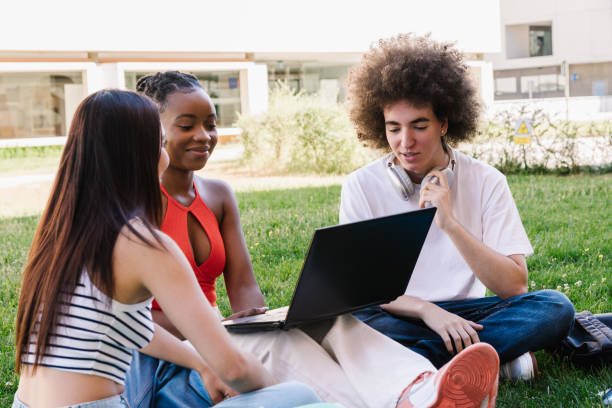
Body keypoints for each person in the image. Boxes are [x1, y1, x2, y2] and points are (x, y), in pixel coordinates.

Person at [123, 70, 502, 408]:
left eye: (210, 123)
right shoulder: (126, 212)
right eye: (186, 125)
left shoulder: (217, 195)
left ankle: (419, 387)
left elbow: (244, 288)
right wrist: (221, 341)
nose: (203, 136)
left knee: (329, 321)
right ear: (152, 132)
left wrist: (260, 318)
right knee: (281, 345)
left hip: (219, 337)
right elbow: (126, 323)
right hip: (172, 365)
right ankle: (407, 401)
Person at [12, 89, 323, 408]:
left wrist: (201, 364)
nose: (165, 155)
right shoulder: (144, 244)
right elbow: (235, 367)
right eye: (160, 144)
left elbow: (135, 328)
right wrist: (271, 395)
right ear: (137, 154)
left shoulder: (62, 234)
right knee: (305, 399)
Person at [340, 34, 576, 380]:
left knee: (555, 307)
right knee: (347, 321)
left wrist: (449, 223)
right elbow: (364, 291)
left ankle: (421, 363)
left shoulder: (487, 181)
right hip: (398, 313)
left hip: (470, 314)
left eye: (419, 126)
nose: (405, 142)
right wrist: (426, 311)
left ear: (444, 123)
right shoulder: (360, 186)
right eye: (394, 128)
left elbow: (514, 287)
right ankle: (481, 358)